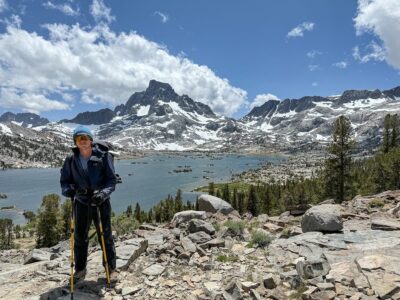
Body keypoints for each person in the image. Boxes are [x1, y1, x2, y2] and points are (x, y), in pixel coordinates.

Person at [60, 125, 118, 282]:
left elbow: (111, 180)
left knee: (105, 236)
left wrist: (103, 194)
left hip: (101, 202)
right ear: (75, 141)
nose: (82, 141)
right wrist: (69, 191)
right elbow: (65, 181)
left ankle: (111, 269)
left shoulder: (104, 156)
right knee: (79, 237)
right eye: (78, 139)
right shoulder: (71, 159)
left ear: (91, 140)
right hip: (81, 203)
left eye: (85, 138)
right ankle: (80, 270)